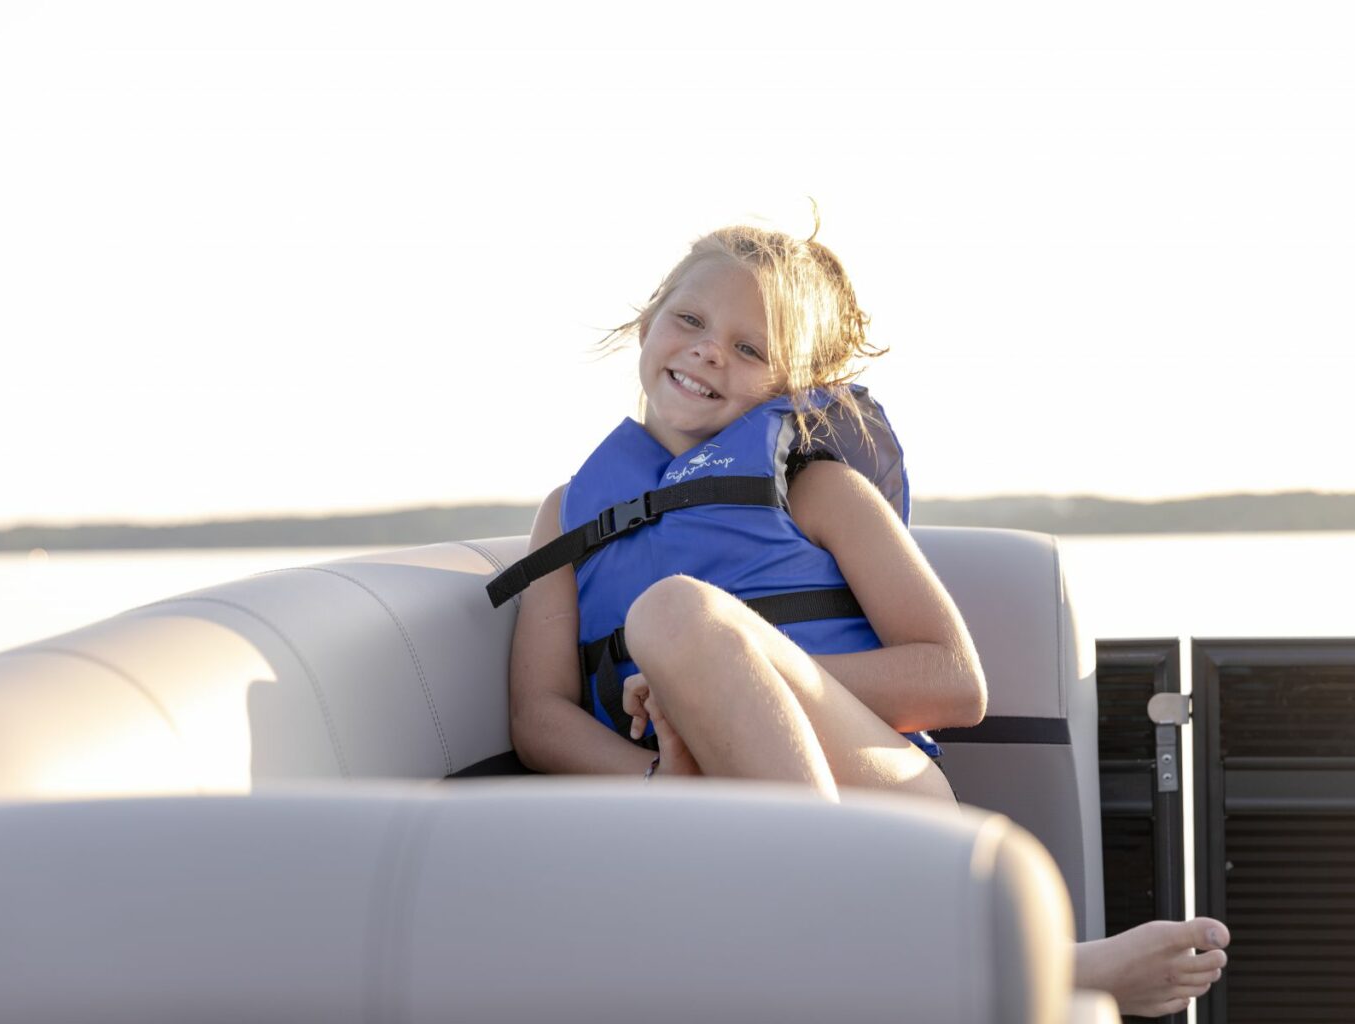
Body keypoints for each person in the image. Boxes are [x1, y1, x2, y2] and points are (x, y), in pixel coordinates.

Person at [498, 221, 1228, 1017]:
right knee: (673, 622)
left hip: (878, 794)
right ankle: (1012, 966)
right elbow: (539, 715)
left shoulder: (820, 489)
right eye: (691, 322)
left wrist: (730, 677)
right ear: (648, 324)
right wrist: (656, 780)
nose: (710, 352)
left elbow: (955, 683)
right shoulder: (568, 516)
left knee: (673, 614)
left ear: (789, 385)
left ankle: (867, 934)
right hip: (682, 807)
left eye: (751, 349)